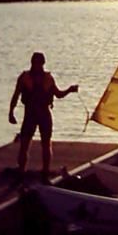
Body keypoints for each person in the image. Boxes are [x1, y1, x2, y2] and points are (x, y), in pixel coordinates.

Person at [9, 51, 78, 182]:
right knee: (24, 143)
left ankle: (45, 172)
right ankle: (22, 170)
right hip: (31, 114)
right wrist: (11, 112)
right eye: (37, 63)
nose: (38, 66)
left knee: (46, 144)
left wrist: (69, 90)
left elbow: (58, 94)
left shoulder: (47, 79)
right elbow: (16, 95)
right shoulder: (25, 78)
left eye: (39, 63)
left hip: (43, 114)